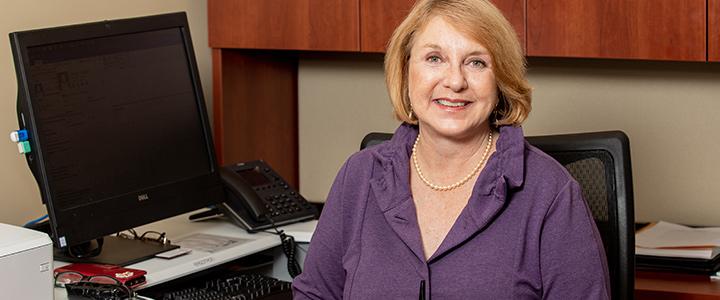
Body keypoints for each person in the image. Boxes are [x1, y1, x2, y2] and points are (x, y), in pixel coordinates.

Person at [292, 0, 610, 298]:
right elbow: (315, 294)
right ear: (405, 72)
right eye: (434, 58)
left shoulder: (551, 193)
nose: (455, 81)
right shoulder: (358, 176)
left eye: (476, 62)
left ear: (500, 80)